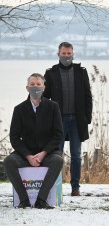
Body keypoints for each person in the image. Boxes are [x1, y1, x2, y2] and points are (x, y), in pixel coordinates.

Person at [4, 73, 64, 209]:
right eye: (32, 84)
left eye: (38, 84)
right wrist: (28, 156)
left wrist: (43, 153)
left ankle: (41, 200)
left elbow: (58, 134)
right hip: (26, 154)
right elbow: (14, 137)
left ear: (43, 88)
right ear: (27, 88)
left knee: (58, 160)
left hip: (47, 154)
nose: (35, 87)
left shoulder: (53, 107)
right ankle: (24, 200)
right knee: (8, 161)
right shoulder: (19, 109)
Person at [43, 41, 92, 196]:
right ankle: (54, 187)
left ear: (72, 54)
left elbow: (87, 96)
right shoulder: (51, 73)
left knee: (76, 155)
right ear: (58, 54)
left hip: (77, 121)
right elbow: (44, 97)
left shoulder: (81, 71)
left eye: (68, 53)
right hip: (58, 121)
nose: (66, 56)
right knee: (56, 155)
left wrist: (87, 118)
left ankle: (75, 188)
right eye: (63, 53)